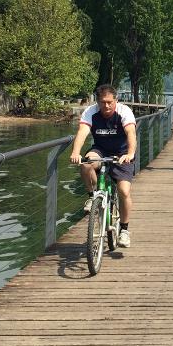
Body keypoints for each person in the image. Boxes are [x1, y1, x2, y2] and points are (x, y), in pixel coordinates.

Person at [70, 84, 137, 248]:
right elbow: (82, 132)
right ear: (97, 102)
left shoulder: (124, 112)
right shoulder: (91, 112)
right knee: (86, 164)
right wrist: (75, 152)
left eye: (109, 102)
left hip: (122, 153)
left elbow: (131, 133)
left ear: (116, 100)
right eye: (102, 102)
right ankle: (93, 197)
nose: (106, 106)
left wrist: (130, 153)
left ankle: (124, 230)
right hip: (100, 150)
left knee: (124, 191)